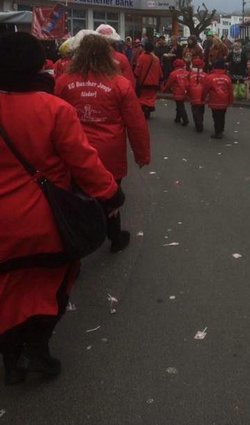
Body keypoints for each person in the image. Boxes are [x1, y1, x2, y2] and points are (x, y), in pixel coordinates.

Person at [0, 32, 124, 386]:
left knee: (7, 287)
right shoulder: (54, 109)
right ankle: (36, 347)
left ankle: (11, 355)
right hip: (45, 221)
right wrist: (111, 194)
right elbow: (83, 163)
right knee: (52, 283)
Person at [55, 34, 150, 251]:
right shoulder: (120, 84)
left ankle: (76, 247)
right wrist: (141, 154)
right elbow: (136, 124)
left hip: (74, 151)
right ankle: (114, 237)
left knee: (76, 198)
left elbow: (54, 119)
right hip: (110, 153)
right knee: (110, 194)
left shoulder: (63, 83)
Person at [203, 59, 233, 139]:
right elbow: (230, 91)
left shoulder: (210, 77)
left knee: (216, 116)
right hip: (224, 100)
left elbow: (205, 89)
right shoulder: (227, 78)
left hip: (214, 100)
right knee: (222, 115)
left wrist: (203, 97)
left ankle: (217, 131)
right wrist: (230, 101)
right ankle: (221, 130)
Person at [134, 41, 162, 120]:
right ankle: (148, 109)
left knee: (143, 98)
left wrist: (135, 75)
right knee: (150, 98)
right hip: (154, 83)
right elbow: (160, 72)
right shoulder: (156, 58)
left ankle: (144, 110)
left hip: (144, 82)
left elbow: (138, 70)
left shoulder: (142, 57)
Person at [163, 58, 190, 126]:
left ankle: (185, 119)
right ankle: (178, 118)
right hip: (186, 91)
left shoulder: (173, 74)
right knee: (180, 105)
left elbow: (169, 84)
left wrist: (164, 90)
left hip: (178, 91)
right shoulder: (187, 73)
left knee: (180, 106)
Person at [187, 58, 207, 132]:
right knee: (201, 110)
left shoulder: (190, 74)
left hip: (193, 94)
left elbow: (187, 85)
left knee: (195, 110)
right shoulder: (205, 75)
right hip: (202, 95)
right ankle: (200, 121)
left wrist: (188, 94)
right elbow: (207, 86)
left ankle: (198, 123)